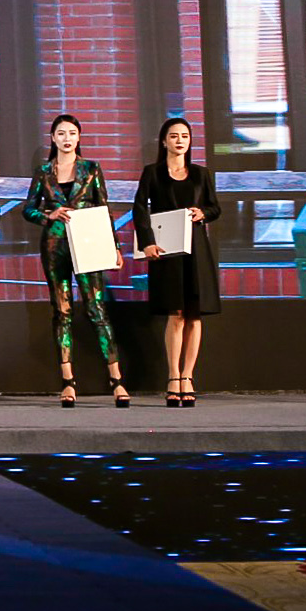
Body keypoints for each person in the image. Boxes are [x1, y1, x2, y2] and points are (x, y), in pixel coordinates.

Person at [20, 115, 129, 407]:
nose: (66, 138)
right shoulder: (43, 172)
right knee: (62, 311)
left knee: (96, 308)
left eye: (71, 133)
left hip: (88, 240)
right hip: (55, 245)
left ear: (79, 137)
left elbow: (103, 207)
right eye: (61, 133)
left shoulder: (91, 168)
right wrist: (49, 215)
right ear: (53, 138)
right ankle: (68, 382)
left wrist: (114, 247)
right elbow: (28, 209)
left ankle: (116, 380)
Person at [135, 117, 219, 407]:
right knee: (176, 313)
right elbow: (139, 208)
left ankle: (188, 377)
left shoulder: (200, 173)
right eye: (174, 136)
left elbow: (214, 207)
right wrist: (146, 241)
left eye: (184, 136)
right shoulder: (153, 173)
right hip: (166, 248)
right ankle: (173, 376)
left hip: (196, 248)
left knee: (195, 315)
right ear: (164, 141)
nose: (179, 140)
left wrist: (203, 213)